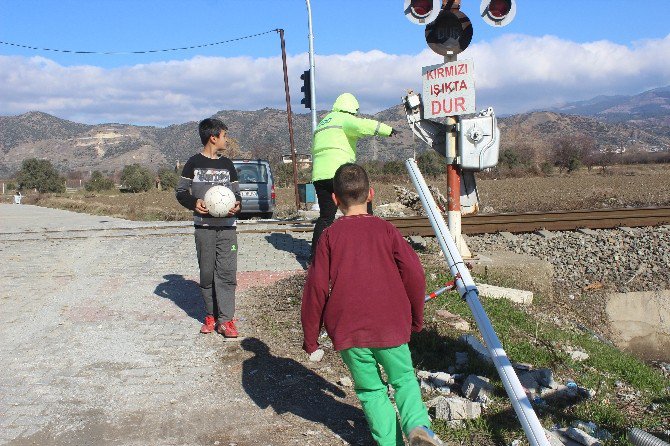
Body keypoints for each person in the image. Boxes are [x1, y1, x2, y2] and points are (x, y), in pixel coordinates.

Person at [301, 163, 442, 446]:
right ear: (371, 195)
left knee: (370, 390)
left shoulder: (328, 236)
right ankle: (418, 427)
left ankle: (390, 443)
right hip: (390, 323)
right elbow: (414, 273)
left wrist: (311, 337)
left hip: (348, 329)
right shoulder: (386, 230)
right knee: (403, 380)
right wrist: (415, 316)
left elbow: (315, 287)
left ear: (334, 200)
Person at [309, 93, 397, 260]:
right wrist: (389, 130)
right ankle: (370, 249)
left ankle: (315, 258)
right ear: (352, 109)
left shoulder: (323, 123)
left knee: (326, 217)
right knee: (362, 208)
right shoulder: (345, 119)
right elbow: (365, 125)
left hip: (320, 175)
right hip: (340, 173)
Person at [176, 118, 242, 337]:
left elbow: (237, 194)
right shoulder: (193, 163)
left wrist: (237, 206)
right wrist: (195, 203)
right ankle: (211, 316)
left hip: (227, 228)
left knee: (227, 272)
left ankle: (227, 320)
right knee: (207, 273)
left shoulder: (228, 165)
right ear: (213, 138)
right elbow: (181, 192)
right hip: (203, 227)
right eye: (224, 135)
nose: (226, 140)